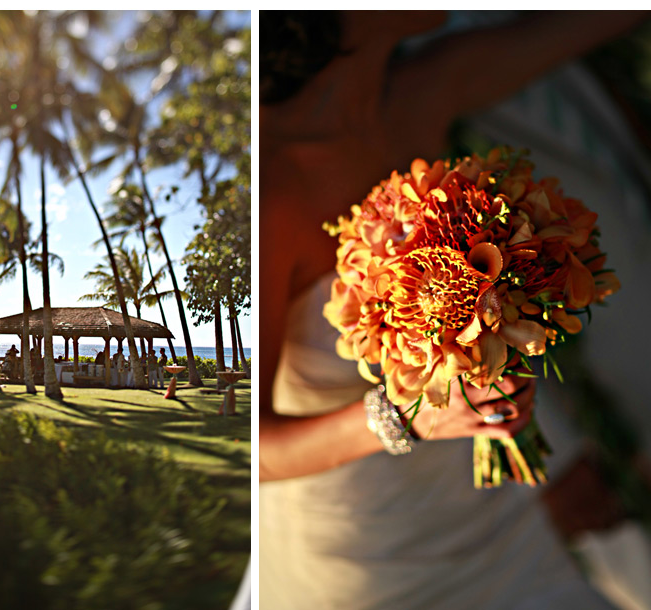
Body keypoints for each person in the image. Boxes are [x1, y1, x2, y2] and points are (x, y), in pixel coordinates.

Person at [260, 10, 647, 610]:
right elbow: (253, 449)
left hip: (504, 530)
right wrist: (407, 418)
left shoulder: (423, 93)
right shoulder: (267, 186)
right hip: (371, 566)